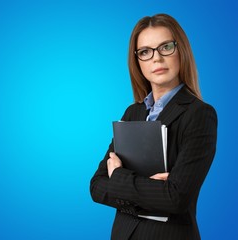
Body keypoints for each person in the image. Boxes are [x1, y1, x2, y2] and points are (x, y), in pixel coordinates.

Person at [90, 13, 217, 240]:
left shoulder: (199, 114)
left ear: (181, 51)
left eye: (165, 47)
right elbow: (97, 186)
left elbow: (176, 198)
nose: (156, 59)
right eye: (146, 52)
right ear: (137, 61)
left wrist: (119, 176)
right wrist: (150, 188)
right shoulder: (132, 113)